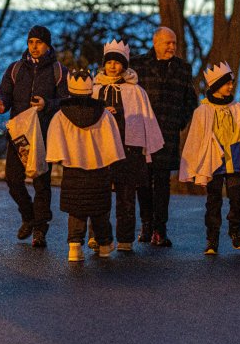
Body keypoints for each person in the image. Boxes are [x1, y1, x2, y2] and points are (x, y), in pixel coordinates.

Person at [0, 26, 68, 248]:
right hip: (18, 135)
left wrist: (47, 105)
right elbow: (4, 93)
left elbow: (66, 100)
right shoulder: (15, 68)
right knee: (13, 179)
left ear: (47, 45)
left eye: (39, 42)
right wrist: (1, 103)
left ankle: (40, 230)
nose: (34, 47)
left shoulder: (58, 70)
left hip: (43, 134)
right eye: (31, 42)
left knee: (41, 183)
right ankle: (28, 216)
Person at [180, 62, 240, 255]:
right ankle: (212, 237)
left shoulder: (238, 109)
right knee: (213, 200)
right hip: (213, 162)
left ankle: (235, 229)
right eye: (226, 83)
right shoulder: (203, 111)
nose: (231, 86)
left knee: (236, 198)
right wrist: (194, 167)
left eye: (231, 83)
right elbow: (195, 140)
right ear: (216, 86)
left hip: (234, 161)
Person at [46, 69, 125, 262]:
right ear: (91, 90)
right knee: (100, 209)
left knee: (77, 208)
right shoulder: (104, 115)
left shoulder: (61, 115)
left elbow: (54, 141)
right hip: (99, 169)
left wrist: (60, 158)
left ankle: (75, 247)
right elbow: (113, 143)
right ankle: (105, 245)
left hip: (73, 169)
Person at [93, 39, 164, 252]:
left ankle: (125, 238)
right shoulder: (95, 89)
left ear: (124, 64)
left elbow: (145, 118)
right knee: (99, 194)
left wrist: (146, 148)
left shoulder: (135, 91)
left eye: (117, 62)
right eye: (109, 62)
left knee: (126, 196)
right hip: (101, 148)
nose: (113, 66)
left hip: (129, 149)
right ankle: (99, 235)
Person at [130, 27, 198, 247]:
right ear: (155, 42)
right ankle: (146, 224)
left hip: (168, 134)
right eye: (167, 43)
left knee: (162, 183)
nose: (171, 47)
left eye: (174, 43)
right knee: (142, 182)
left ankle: (160, 228)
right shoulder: (138, 65)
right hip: (143, 133)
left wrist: (179, 122)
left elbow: (191, 101)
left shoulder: (182, 69)